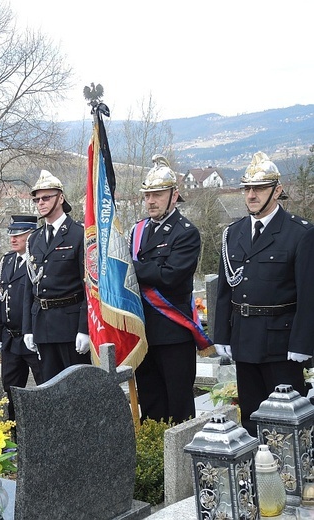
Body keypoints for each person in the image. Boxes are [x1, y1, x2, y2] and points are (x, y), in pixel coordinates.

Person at [214, 151, 314, 436]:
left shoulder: (300, 233)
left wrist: (303, 343)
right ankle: (256, 476)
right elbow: (225, 289)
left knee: (287, 421)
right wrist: (222, 333)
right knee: (251, 417)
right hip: (244, 339)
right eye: (247, 188)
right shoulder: (233, 232)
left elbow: (309, 295)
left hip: (281, 344)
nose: (251, 195)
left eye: (259, 188)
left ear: (277, 190)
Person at [129, 154, 202, 424]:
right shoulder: (137, 231)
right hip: (143, 331)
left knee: (179, 405)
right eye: (147, 195)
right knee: (151, 404)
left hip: (173, 330)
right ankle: (156, 460)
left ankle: (181, 465)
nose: (150, 201)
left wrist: (132, 269)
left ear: (174, 196)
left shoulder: (185, 232)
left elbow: (170, 276)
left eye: (157, 194)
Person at [23, 170, 88, 382]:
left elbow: (89, 285)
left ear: (60, 198)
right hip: (42, 324)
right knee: (50, 391)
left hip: (70, 325)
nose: (40, 203)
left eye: (46, 198)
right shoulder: (35, 238)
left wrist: (84, 329)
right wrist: (28, 328)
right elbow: (29, 288)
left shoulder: (79, 234)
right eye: (37, 199)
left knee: (77, 388)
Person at [0, 215, 43, 422]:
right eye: (11, 234)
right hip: (10, 339)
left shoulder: (36, 260)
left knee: (44, 386)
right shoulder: (6, 261)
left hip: (31, 337)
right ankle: (13, 435)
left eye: (19, 235)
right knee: (10, 391)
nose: (13, 239)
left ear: (30, 235)